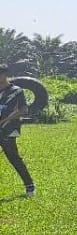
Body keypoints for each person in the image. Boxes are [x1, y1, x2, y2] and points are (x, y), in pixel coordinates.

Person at [0, 63, 35, 197]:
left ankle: (29, 186)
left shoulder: (16, 91)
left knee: (13, 158)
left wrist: (4, 120)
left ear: (5, 74)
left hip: (8, 129)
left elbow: (23, 110)